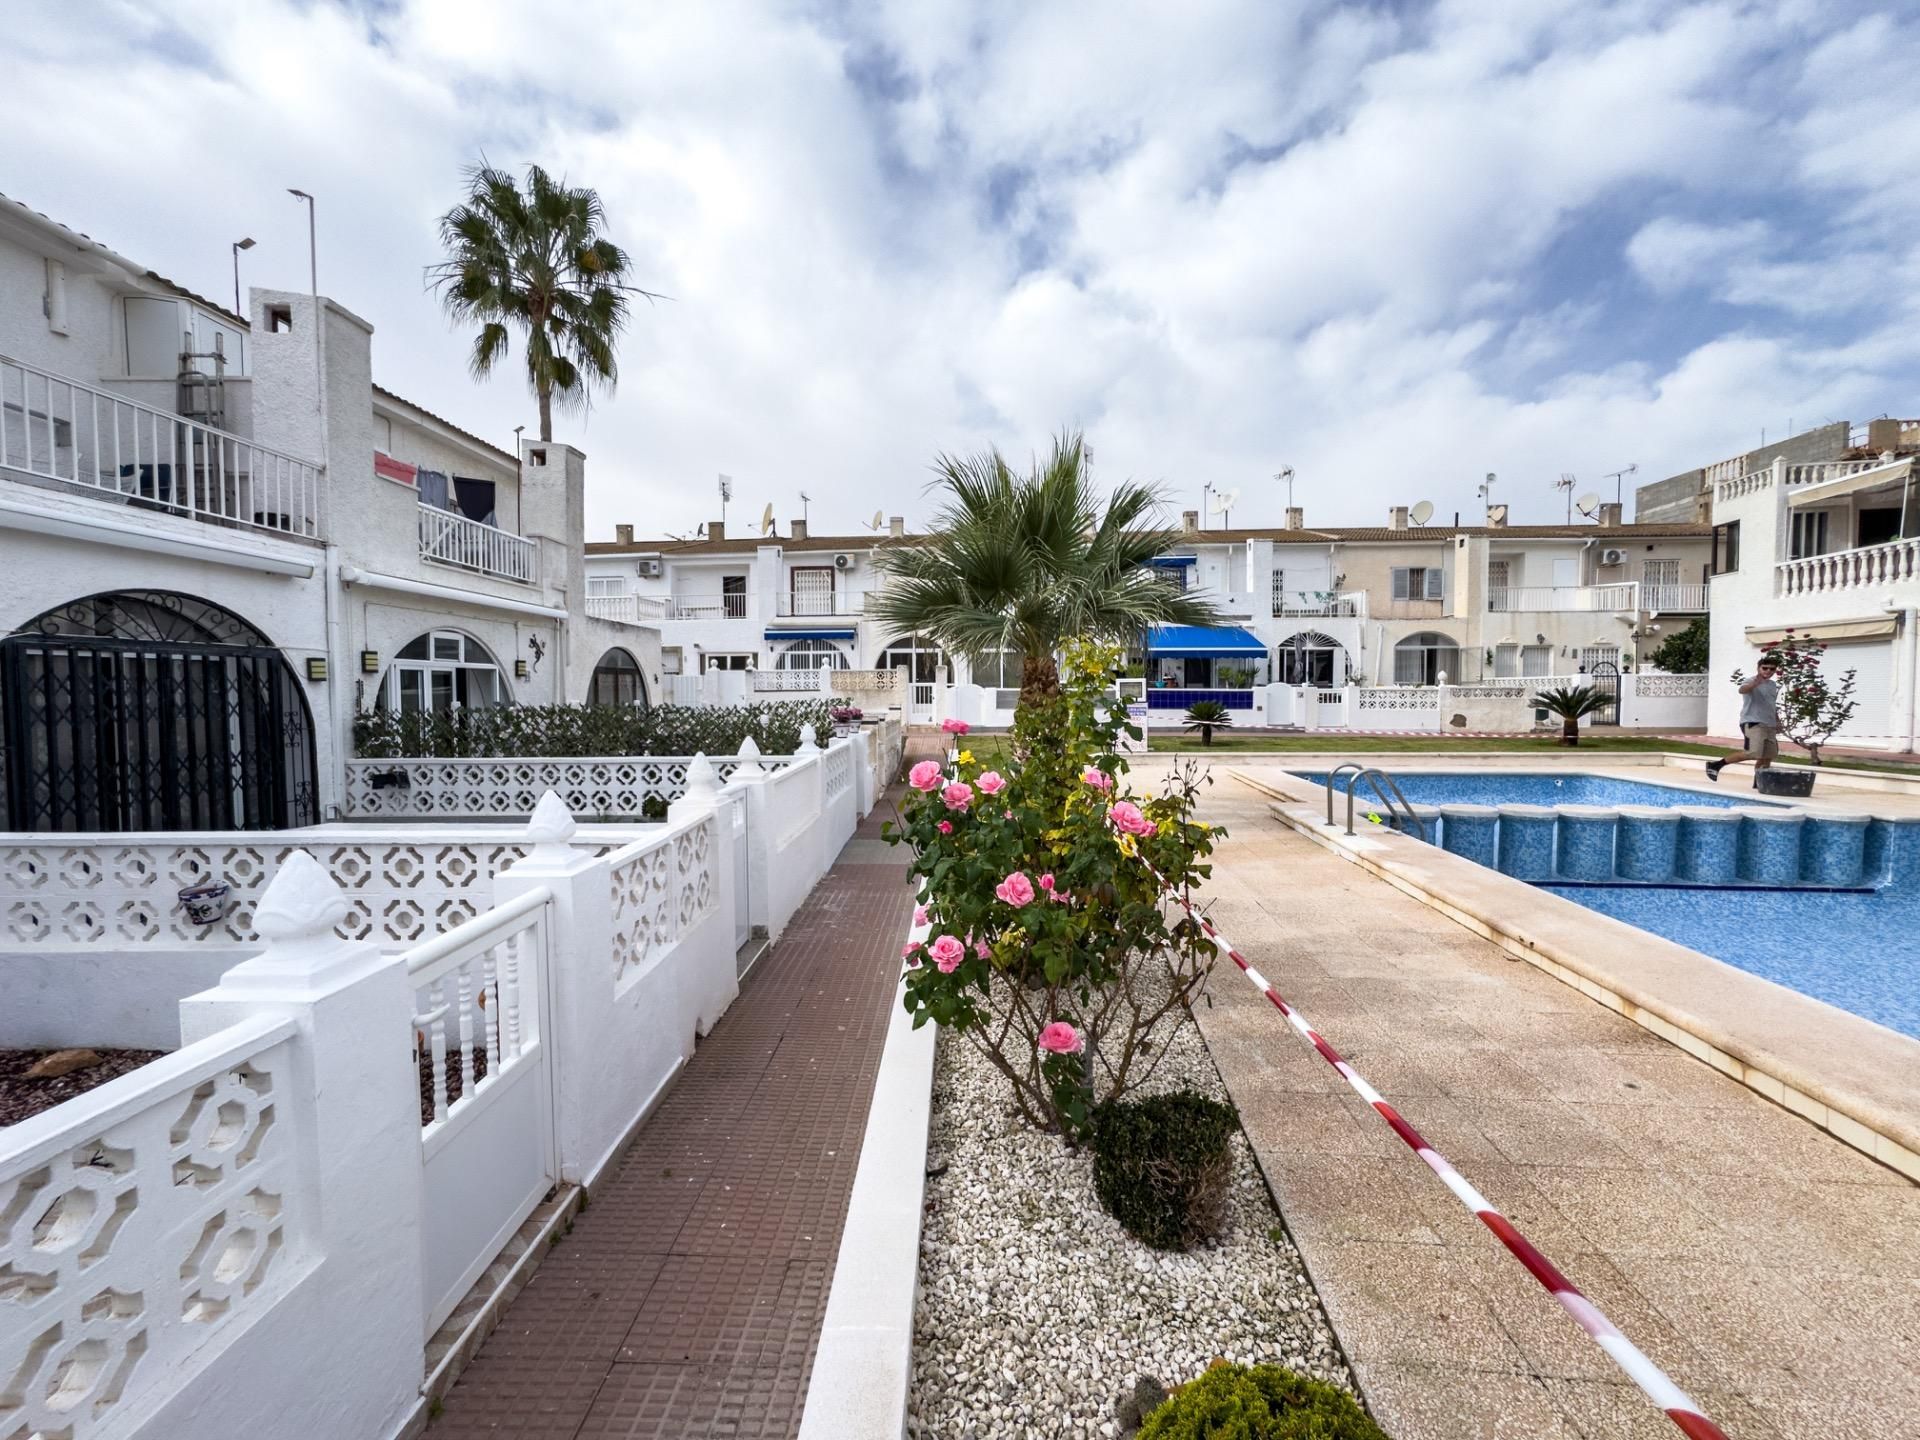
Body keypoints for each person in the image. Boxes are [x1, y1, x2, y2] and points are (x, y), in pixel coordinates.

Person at [1707, 656, 1780, 782]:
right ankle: (1715, 765)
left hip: (1770, 724)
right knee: (1753, 752)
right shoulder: (1750, 681)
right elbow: (1742, 690)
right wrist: (1754, 684)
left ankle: (1759, 783)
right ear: (1759, 668)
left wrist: (1777, 721)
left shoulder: (1772, 685)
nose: (1768, 671)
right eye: (1765, 668)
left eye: (1771, 669)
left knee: (1768, 756)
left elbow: (1771, 704)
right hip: (1753, 722)